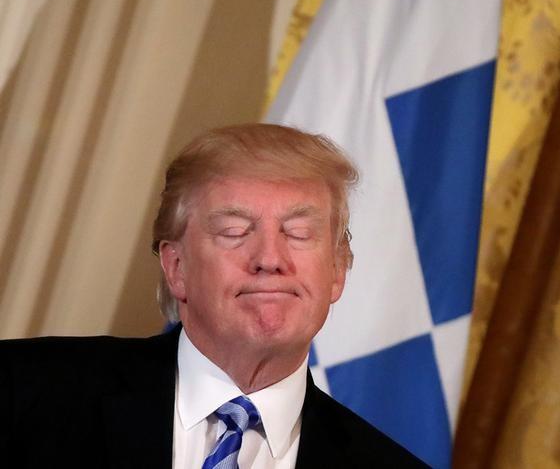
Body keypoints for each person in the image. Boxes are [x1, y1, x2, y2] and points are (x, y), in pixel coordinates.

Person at [0, 124, 427, 468]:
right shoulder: (24, 391)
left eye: (299, 234)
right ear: (177, 268)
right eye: (234, 232)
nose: (269, 258)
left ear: (337, 271)